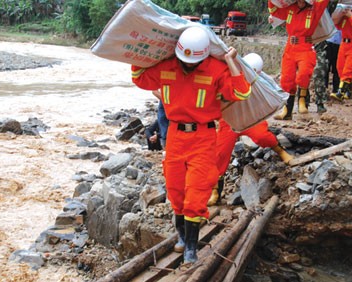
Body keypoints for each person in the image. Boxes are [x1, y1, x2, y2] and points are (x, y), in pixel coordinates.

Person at [131, 26, 251, 264]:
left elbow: (242, 92)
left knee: (196, 194)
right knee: (175, 190)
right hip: (175, 136)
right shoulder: (167, 66)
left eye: (192, 62)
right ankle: (182, 237)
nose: (187, 65)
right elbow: (139, 78)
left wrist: (230, 61)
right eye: (184, 60)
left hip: (203, 137)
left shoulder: (216, 69)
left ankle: (191, 249)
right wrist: (142, 53)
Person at [208, 52, 293, 205]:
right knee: (220, 153)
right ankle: (215, 191)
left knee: (263, 136)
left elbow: (277, 93)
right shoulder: (231, 74)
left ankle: (281, 151)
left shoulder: (262, 80)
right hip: (230, 121)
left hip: (251, 117)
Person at [268, 0, 330, 120]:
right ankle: (287, 111)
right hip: (290, 48)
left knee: (304, 73)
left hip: (305, 47)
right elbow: (274, 10)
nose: (301, 2)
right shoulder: (289, 8)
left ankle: (302, 99)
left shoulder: (315, 10)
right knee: (286, 80)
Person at [326, 29, 342, 95]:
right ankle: (324, 89)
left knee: (337, 68)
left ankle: (336, 90)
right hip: (328, 43)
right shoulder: (328, 18)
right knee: (326, 67)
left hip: (340, 44)